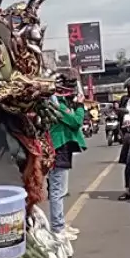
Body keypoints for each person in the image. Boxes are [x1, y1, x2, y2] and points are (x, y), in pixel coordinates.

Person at [48, 72, 87, 241]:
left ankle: (61, 225)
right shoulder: (55, 103)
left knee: (61, 190)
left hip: (62, 147)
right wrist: (80, 107)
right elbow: (75, 122)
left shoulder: (60, 102)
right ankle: (57, 228)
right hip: (58, 148)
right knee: (57, 191)